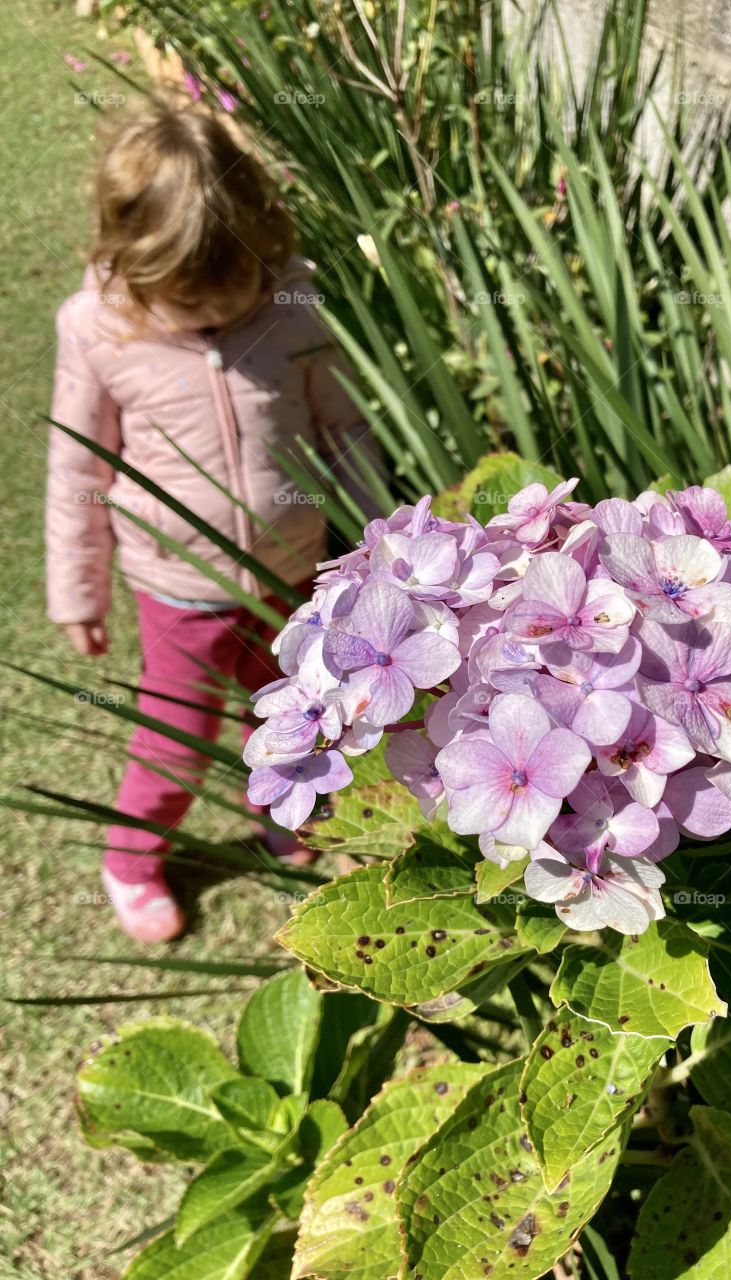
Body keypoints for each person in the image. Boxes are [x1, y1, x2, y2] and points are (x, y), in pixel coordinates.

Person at [46, 94, 368, 943]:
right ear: (132, 263)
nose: (221, 313)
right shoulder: (98, 329)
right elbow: (77, 466)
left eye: (238, 285)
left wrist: (377, 539)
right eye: (192, 299)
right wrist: (77, 593)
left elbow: (345, 428)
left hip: (294, 573)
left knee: (297, 709)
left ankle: (287, 812)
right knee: (173, 742)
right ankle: (132, 857)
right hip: (180, 591)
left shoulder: (293, 308)